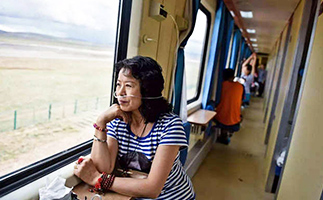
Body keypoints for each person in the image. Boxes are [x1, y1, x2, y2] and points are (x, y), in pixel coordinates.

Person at [73, 56, 195, 199]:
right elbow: (104, 168)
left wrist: (97, 179)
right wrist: (100, 124)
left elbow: (152, 189)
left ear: (147, 90)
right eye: (118, 85)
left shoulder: (170, 125)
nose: (120, 92)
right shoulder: (117, 121)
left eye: (129, 86)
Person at [214, 69, 244, 144]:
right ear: (233, 76)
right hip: (235, 120)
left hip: (221, 118)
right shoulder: (240, 86)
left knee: (220, 114)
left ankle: (224, 133)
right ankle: (227, 132)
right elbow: (242, 99)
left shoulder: (221, 85)